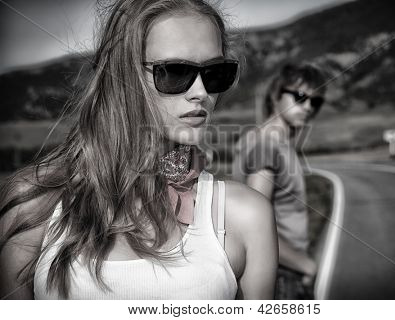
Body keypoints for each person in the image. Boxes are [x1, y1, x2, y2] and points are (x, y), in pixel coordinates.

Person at [0, 0, 278, 300]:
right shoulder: (35, 204)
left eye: (215, 73)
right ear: (121, 76)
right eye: (175, 72)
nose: (201, 93)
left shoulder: (245, 216)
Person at [232, 63, 326, 299]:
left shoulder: (272, 143)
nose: (308, 107)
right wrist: (305, 265)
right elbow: (254, 229)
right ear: (276, 95)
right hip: (281, 276)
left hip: (281, 271)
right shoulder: (268, 145)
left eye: (315, 102)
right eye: (300, 97)